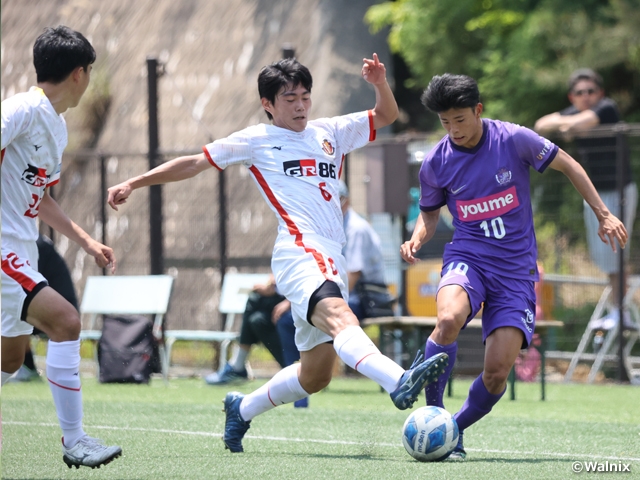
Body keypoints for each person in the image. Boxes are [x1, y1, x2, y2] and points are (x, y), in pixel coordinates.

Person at [107, 53, 449, 454]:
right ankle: (398, 380)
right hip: (299, 251)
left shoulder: (331, 132)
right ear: (268, 104)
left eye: (305, 96)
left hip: (331, 259)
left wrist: (379, 82)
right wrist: (136, 181)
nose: (301, 104)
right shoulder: (256, 139)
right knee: (342, 316)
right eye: (290, 98)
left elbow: (385, 115)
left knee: (316, 375)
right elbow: (194, 163)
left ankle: (242, 408)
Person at [400, 73, 627, 461]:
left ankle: (452, 431)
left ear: (478, 110)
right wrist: (418, 238)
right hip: (468, 256)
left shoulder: (514, 139)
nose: (453, 130)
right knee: (449, 319)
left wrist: (603, 213)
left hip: (515, 271)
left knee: (497, 371)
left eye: (460, 119)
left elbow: (570, 165)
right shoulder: (437, 161)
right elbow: (429, 214)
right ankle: (433, 413)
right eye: (445, 122)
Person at [1, 26, 122, 469]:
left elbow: (41, 198)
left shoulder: (56, 125)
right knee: (66, 322)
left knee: (9, 360)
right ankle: (75, 440)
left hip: (22, 249)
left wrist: (88, 241)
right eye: (89, 71)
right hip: (3, 252)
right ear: (79, 73)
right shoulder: (22, 109)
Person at [534, 68, 638, 321]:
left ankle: (620, 311)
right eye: (580, 92)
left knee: (617, 250)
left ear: (600, 93)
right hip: (594, 193)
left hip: (619, 189)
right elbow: (541, 124)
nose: (586, 96)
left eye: (591, 91)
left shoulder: (607, 108)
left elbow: (579, 124)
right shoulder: (576, 111)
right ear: (572, 97)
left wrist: (571, 125)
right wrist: (569, 124)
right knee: (605, 253)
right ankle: (619, 309)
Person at [10, 234, 79, 382]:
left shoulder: (33, 246)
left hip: (58, 313)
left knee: (14, 309)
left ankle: (27, 366)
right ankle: (24, 366)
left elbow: (24, 289)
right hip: (53, 310)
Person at [204, 274, 290, 385]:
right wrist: (272, 284)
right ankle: (289, 368)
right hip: (286, 296)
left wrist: (286, 299)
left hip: (300, 301)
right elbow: (279, 273)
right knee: (256, 319)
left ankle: (237, 366)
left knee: (254, 299)